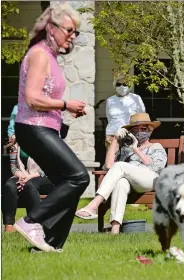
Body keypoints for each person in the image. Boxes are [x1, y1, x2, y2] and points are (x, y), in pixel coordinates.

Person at [13, 3, 90, 253]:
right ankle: (30, 221)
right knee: (79, 177)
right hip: (32, 127)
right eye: (69, 30)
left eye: (76, 32)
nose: (73, 36)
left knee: (68, 186)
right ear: (51, 28)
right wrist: (66, 104)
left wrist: (65, 109)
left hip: (45, 128)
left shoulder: (52, 57)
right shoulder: (39, 54)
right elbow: (32, 97)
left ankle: (49, 245)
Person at [75, 113, 167, 234]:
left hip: (150, 180)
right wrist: (115, 140)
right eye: (135, 129)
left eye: (143, 129)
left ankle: (94, 205)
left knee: (119, 165)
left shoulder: (156, 146)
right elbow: (108, 166)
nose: (139, 131)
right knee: (121, 183)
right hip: (131, 183)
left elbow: (154, 167)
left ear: (150, 131)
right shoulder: (126, 150)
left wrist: (136, 149)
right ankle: (115, 229)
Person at [2, 143, 54, 232]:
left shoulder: (44, 142)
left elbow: (49, 167)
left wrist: (28, 177)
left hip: (43, 177)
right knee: (9, 186)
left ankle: (35, 223)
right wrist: (20, 175)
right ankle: (9, 224)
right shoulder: (15, 146)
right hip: (22, 176)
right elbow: (13, 165)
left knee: (29, 185)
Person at [105, 74, 146, 149]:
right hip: (112, 134)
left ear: (129, 85)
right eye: (118, 84)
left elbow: (141, 117)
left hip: (130, 135)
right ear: (115, 85)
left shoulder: (136, 98)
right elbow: (109, 117)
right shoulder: (110, 100)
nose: (121, 86)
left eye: (124, 84)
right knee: (112, 159)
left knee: (130, 158)